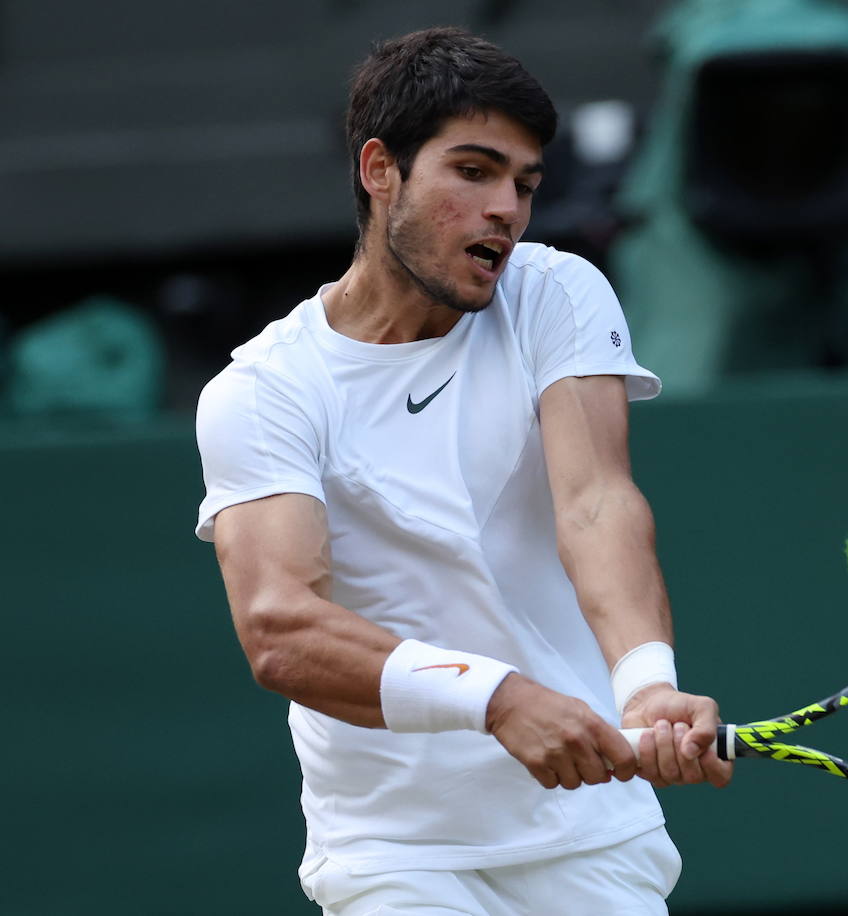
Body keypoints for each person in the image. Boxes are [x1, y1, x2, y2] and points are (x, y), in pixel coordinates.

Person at [193, 26, 731, 916]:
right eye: (473, 172)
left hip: (591, 833)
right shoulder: (264, 390)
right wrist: (497, 699)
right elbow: (281, 627)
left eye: (524, 184)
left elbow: (594, 503)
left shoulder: (556, 293)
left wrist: (647, 685)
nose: (506, 211)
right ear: (380, 171)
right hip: (395, 854)